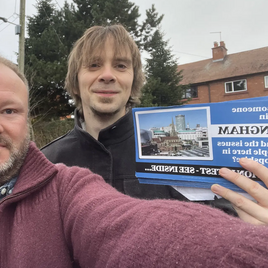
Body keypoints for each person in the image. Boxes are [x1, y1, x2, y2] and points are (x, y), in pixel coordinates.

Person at [0, 53, 268, 268]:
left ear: (27, 120)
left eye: (9, 111)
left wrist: (250, 247)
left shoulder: (67, 188)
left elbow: (134, 228)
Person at [41, 25, 232, 214]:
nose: (107, 75)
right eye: (94, 65)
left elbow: (223, 225)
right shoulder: (47, 164)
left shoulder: (179, 155)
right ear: (75, 82)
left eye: (120, 66)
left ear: (133, 81)